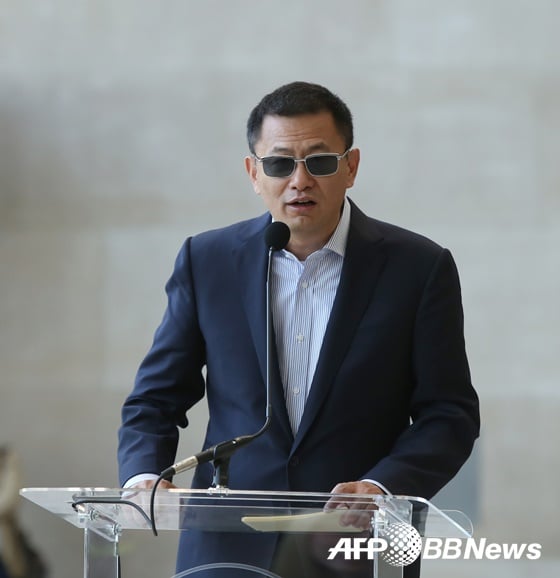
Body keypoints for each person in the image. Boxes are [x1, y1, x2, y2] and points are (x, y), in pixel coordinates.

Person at [118, 81, 480, 577]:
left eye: (320, 162)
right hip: (226, 550)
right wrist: (143, 477)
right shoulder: (208, 262)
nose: (300, 180)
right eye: (280, 164)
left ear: (351, 167)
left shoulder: (418, 268)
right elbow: (154, 400)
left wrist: (382, 487)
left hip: (355, 547)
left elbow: (449, 414)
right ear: (254, 173)